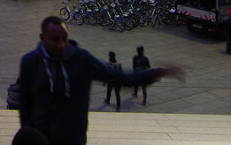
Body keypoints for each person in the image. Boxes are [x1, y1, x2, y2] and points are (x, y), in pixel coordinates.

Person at [18, 16, 182, 145]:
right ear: (42, 38)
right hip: (42, 138)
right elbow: (24, 102)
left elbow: (120, 78)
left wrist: (156, 73)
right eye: (54, 39)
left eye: (64, 38)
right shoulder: (30, 62)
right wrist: (30, 133)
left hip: (73, 139)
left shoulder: (81, 60)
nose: (61, 45)